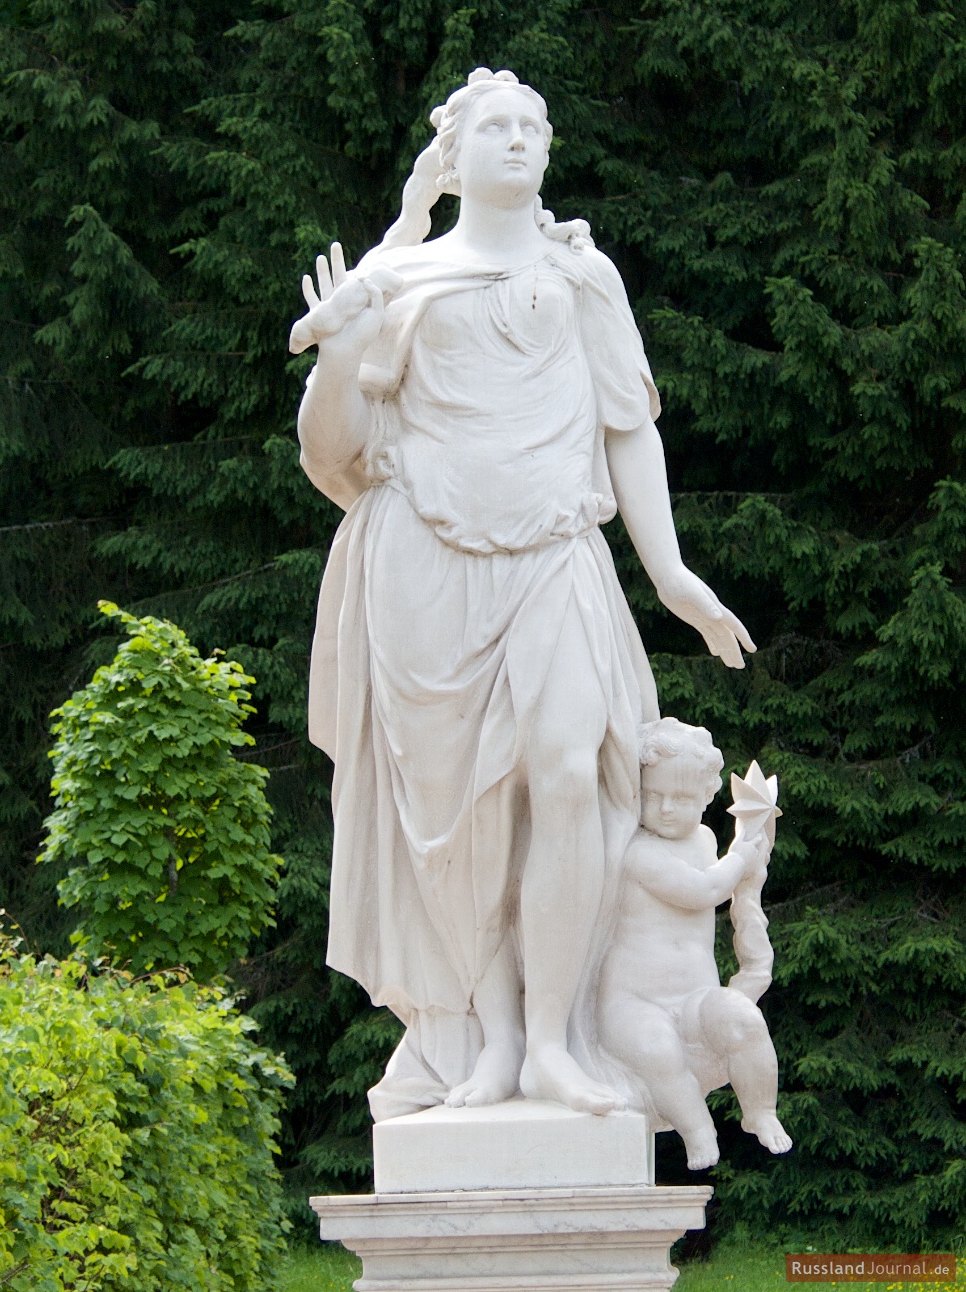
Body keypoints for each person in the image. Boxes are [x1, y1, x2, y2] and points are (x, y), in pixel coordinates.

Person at [291, 68, 756, 1119]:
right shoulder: (400, 284)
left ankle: (552, 1038)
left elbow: (627, 425)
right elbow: (335, 456)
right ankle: (491, 1040)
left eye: (529, 125)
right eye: (490, 126)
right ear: (451, 157)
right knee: (466, 817)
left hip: (554, 546)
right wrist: (335, 348)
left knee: (565, 770)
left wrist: (672, 573)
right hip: (423, 562)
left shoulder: (584, 279)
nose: (514, 140)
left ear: (546, 151)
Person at [598, 718, 793, 1166]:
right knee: (657, 1050)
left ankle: (760, 1111)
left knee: (744, 1020)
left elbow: (726, 881)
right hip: (633, 1003)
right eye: (653, 796)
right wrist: (740, 857)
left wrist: (752, 850)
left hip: (693, 998)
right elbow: (703, 891)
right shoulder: (636, 851)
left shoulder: (704, 840)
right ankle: (697, 1129)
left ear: (707, 797)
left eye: (682, 798)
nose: (666, 808)